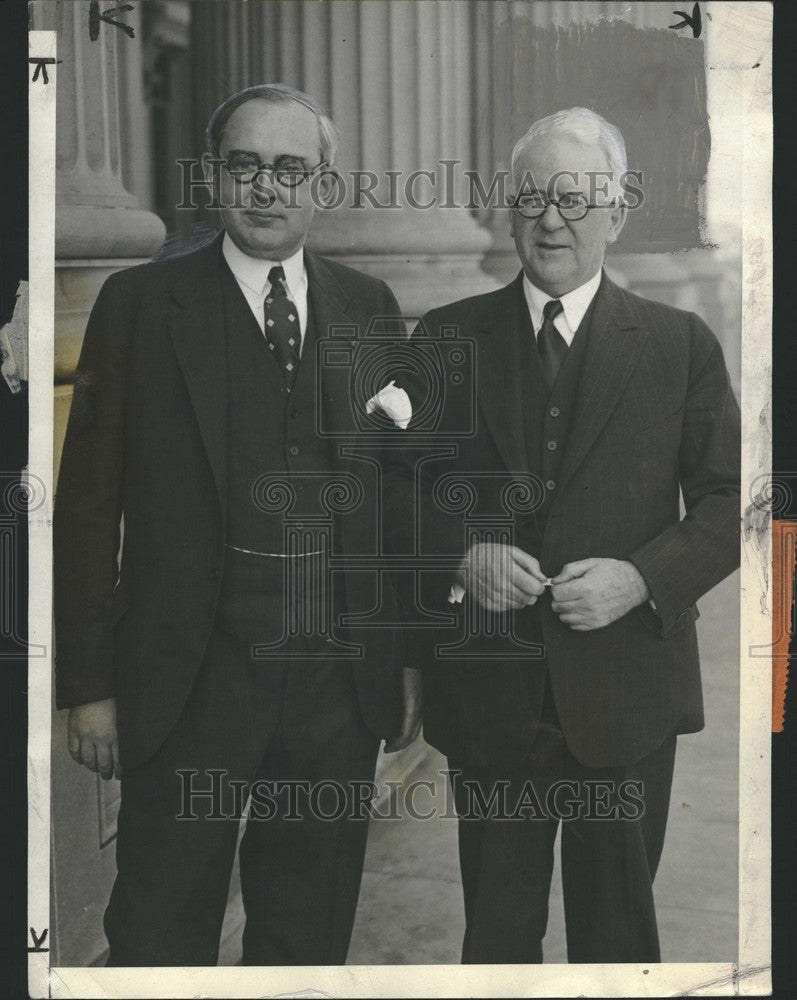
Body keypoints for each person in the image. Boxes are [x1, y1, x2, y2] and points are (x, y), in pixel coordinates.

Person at [53, 83, 421, 967]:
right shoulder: (139, 306)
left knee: (307, 933)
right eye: (245, 165)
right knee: (157, 933)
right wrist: (89, 685)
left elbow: (395, 504)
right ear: (214, 177)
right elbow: (86, 508)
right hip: (186, 679)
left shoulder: (368, 306)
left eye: (289, 168)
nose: (266, 188)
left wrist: (404, 662)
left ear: (321, 186)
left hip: (333, 685)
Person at [384, 107, 740, 963]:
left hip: (626, 697)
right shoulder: (443, 339)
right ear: (510, 208)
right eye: (535, 195)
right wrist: (460, 556)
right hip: (490, 697)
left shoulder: (677, 345)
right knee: (497, 936)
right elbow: (388, 493)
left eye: (578, 198)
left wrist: (643, 578)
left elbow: (737, 504)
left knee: (617, 938)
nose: (553, 218)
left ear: (617, 213)